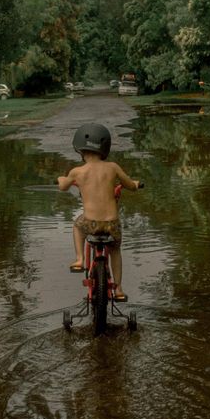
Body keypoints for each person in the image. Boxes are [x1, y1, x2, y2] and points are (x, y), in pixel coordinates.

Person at [57, 123, 140, 300]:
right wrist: (136, 184)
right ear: (105, 148)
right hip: (112, 224)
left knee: (78, 226)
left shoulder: (77, 172)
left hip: (90, 223)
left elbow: (63, 186)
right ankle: (118, 290)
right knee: (115, 251)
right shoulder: (113, 167)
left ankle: (79, 259)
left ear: (80, 149)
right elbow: (130, 185)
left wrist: (61, 178)